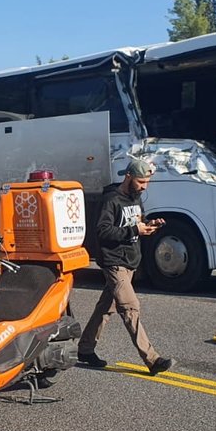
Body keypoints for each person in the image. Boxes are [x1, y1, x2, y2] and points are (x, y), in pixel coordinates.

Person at [76, 156, 175, 375]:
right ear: (128, 177)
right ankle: (152, 359)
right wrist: (134, 231)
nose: (143, 187)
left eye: (146, 183)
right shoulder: (111, 199)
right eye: (141, 182)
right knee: (131, 308)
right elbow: (102, 231)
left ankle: (85, 348)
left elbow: (134, 222)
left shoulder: (134, 198)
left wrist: (149, 225)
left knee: (105, 307)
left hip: (130, 261)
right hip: (114, 261)